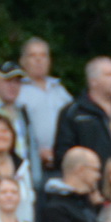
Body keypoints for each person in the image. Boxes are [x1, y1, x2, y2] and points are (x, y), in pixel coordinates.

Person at [53, 55, 111, 166]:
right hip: (91, 180)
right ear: (93, 81)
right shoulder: (74, 112)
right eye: (109, 75)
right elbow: (64, 154)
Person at [16, 38, 72, 182]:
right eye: (33, 56)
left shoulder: (60, 90)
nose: (39, 60)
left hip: (63, 164)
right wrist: (36, 152)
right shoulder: (17, 91)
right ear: (22, 61)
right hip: (33, 165)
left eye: (43, 56)